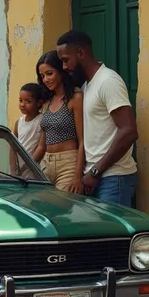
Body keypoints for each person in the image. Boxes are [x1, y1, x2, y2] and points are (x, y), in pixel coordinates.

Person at [56, 29, 138, 206]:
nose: (64, 67)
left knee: (112, 233)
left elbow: (129, 131)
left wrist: (95, 172)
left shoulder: (108, 81)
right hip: (94, 177)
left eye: (65, 60)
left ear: (81, 53)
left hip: (114, 178)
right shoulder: (87, 86)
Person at [32, 51, 84, 193]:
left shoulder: (75, 98)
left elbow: (82, 141)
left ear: (61, 71)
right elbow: (42, 145)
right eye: (42, 76)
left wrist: (78, 177)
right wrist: (24, 168)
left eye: (49, 73)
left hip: (68, 165)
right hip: (46, 164)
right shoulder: (47, 102)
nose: (46, 79)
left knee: (61, 209)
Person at [11, 83, 44, 178]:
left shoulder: (41, 120)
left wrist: (28, 165)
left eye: (28, 101)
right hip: (19, 170)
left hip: (34, 168)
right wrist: (13, 170)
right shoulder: (19, 122)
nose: (22, 104)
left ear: (39, 103)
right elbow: (12, 146)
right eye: (20, 100)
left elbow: (41, 147)